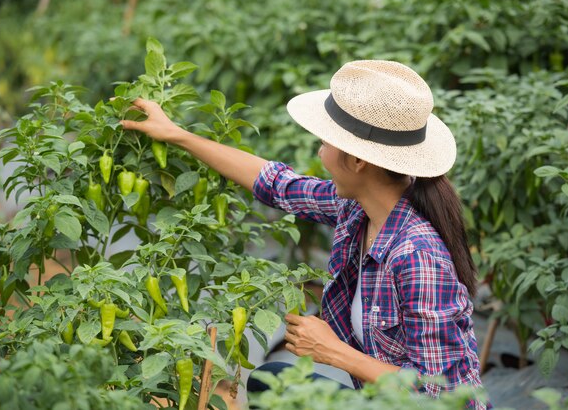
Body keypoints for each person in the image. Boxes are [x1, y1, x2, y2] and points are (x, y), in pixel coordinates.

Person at [121, 60, 488, 408]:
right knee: (272, 381)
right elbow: (277, 184)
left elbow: (441, 397)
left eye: (326, 143)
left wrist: (334, 351)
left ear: (358, 161)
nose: (320, 151)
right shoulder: (359, 209)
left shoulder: (416, 256)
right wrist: (177, 135)